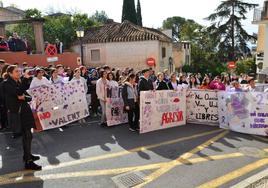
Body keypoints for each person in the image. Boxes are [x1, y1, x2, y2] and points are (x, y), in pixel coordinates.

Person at [4, 65, 42, 170]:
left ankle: (28, 155)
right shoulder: (6, 84)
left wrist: (24, 97)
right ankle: (28, 162)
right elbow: (18, 93)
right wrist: (25, 80)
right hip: (18, 113)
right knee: (27, 135)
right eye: (16, 71)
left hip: (25, 111)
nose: (19, 73)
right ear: (10, 73)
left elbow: (26, 96)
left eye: (19, 71)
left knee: (28, 136)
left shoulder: (18, 82)